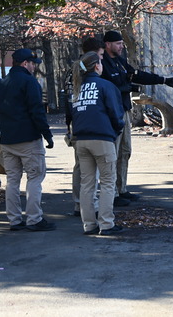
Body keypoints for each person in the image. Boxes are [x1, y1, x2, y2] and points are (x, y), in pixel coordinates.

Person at [101, 30, 173, 206]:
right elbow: (107, 88)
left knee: (125, 151)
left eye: (122, 43)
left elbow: (137, 75)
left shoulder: (120, 62)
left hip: (124, 110)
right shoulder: (101, 63)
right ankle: (111, 194)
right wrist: (127, 87)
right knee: (112, 153)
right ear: (108, 44)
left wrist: (163, 80)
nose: (121, 46)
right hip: (111, 114)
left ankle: (121, 189)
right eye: (118, 43)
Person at [0, 48, 56, 231]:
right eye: (33, 64)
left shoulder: (0, 84)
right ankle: (34, 219)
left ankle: (15, 220)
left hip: (7, 140)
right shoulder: (29, 82)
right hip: (28, 139)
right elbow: (37, 112)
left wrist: (7, 125)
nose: (34, 67)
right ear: (25, 63)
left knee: (12, 179)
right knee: (34, 178)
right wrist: (47, 134)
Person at [71, 51, 125, 235]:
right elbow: (116, 114)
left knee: (87, 183)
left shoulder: (77, 88)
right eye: (101, 62)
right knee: (108, 182)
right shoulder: (105, 86)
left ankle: (89, 225)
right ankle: (107, 224)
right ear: (96, 66)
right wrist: (117, 130)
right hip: (102, 139)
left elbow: (71, 116)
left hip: (81, 140)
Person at [65, 37, 105, 216]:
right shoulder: (89, 75)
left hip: (76, 124)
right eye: (101, 55)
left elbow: (69, 101)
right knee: (92, 170)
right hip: (90, 125)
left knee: (80, 167)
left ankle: (79, 203)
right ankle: (91, 206)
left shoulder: (73, 71)